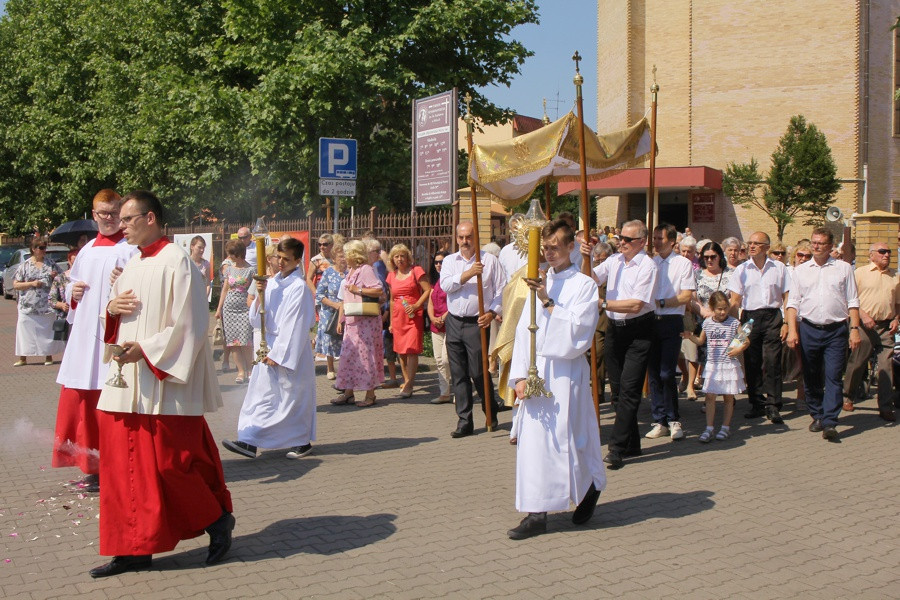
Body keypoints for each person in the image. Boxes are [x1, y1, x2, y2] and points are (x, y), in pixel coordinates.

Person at [91, 190, 233, 577]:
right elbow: (117, 314)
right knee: (123, 470)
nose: (121, 227)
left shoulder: (178, 261)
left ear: (150, 218)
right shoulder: (132, 264)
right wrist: (110, 310)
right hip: (127, 385)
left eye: (128, 219)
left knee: (173, 465)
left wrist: (148, 350)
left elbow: (191, 323)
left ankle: (217, 520)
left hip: (164, 381)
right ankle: (132, 549)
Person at [505, 219, 606, 540]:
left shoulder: (584, 285)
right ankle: (537, 513)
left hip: (565, 375)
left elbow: (579, 332)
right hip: (537, 376)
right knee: (535, 444)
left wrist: (549, 300)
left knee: (571, 440)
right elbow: (524, 332)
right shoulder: (537, 282)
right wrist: (519, 375)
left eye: (555, 248)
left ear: (570, 248)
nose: (548, 253)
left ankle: (590, 487)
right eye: (544, 248)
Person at [52, 190, 135, 491]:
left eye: (114, 212)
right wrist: (71, 297)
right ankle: (93, 466)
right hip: (85, 338)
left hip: (113, 336)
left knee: (112, 402)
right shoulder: (86, 251)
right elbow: (72, 290)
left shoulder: (130, 249)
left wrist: (123, 280)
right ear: (94, 213)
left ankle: (118, 466)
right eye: (103, 213)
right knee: (82, 402)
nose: (109, 218)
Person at [222, 237, 318, 460]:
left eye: (287, 259)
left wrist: (279, 354)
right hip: (268, 348)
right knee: (261, 396)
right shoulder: (272, 282)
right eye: (279, 257)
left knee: (290, 398)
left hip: (287, 352)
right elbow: (257, 319)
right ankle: (249, 440)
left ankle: (301, 441)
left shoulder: (299, 288)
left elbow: (296, 324)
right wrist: (259, 296)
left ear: (297, 261)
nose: (281, 262)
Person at [593, 219, 658, 469]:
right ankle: (632, 443)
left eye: (628, 240)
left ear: (641, 242)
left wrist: (603, 304)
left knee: (630, 390)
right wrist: (588, 257)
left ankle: (617, 447)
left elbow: (635, 304)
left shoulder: (647, 266)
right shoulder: (614, 261)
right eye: (621, 238)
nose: (622, 243)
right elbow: (591, 279)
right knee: (619, 390)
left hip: (639, 330)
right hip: (615, 330)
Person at [786, 227, 861, 441]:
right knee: (811, 375)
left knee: (834, 376)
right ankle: (817, 414)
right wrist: (792, 329)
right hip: (809, 328)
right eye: (813, 242)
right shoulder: (801, 271)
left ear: (830, 246)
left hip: (836, 330)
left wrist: (854, 330)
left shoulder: (844, 269)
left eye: (820, 243)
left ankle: (830, 421)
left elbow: (853, 301)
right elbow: (793, 303)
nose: (816, 246)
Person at [440, 220, 505, 438]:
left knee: (478, 371)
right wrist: (468, 274)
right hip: (455, 321)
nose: (465, 241)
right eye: (461, 237)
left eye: (469, 237)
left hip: (477, 322)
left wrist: (492, 313)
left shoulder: (490, 261)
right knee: (458, 374)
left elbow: (501, 290)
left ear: (476, 238)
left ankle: (490, 409)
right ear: (456, 238)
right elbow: (446, 286)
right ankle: (464, 420)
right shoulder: (450, 261)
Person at [728, 231, 791, 424]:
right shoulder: (742, 270)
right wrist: (735, 327)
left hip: (773, 316)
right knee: (752, 360)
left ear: (766, 247)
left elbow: (787, 296)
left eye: (756, 243)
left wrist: (787, 322)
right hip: (750, 319)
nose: (751, 246)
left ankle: (773, 405)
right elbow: (735, 300)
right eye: (750, 243)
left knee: (772, 360)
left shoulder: (779, 268)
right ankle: (756, 402)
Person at [646, 224, 696, 442]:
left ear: (672, 241)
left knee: (667, 372)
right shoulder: (650, 263)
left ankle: (674, 418)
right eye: (654, 238)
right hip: (650, 321)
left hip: (671, 320)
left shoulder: (683, 264)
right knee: (654, 373)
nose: (656, 242)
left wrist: (663, 302)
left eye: (660, 238)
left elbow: (686, 296)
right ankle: (660, 420)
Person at [842, 242, 898, 422]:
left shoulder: (894, 276)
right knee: (857, 362)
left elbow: (897, 303)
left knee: (886, 366)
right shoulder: (860, 273)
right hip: (864, 325)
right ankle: (847, 396)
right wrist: (863, 317)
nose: (886, 255)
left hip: (885, 325)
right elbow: (851, 299)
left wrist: (897, 318)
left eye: (889, 251)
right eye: (882, 251)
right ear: (871, 254)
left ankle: (885, 406)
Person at [683, 292, 749, 442]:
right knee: (710, 396)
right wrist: (690, 337)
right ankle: (709, 428)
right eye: (719, 309)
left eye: (725, 308)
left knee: (728, 397)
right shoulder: (707, 323)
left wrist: (738, 349)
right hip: (713, 365)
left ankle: (725, 427)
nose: (722, 312)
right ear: (712, 308)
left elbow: (745, 341)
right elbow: (701, 341)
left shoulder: (733, 323)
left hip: (728, 365)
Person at [331, 240, 384, 407]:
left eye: (347, 254)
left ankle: (370, 394)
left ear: (354, 254)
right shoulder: (351, 271)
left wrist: (358, 290)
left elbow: (378, 290)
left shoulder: (366, 269)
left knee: (365, 356)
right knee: (349, 356)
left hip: (365, 322)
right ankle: (348, 392)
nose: (345, 257)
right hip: (352, 320)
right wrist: (342, 318)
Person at [688, 242, 733, 400]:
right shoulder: (697, 274)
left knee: (726, 361)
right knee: (707, 361)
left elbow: (735, 299)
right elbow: (692, 299)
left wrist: (722, 314)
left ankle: (728, 394)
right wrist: (705, 312)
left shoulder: (730, 273)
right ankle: (709, 398)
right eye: (705, 257)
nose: (709, 260)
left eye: (713, 256)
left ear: (720, 256)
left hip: (726, 324)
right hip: (705, 323)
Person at [386, 244, 432, 397]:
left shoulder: (416, 271)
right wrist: (392, 321)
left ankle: (409, 385)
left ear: (408, 257)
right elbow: (392, 300)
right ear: (393, 259)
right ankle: (406, 380)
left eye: (402, 256)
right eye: (396, 256)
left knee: (412, 350)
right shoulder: (392, 275)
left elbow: (427, 290)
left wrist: (417, 305)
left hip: (413, 316)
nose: (400, 259)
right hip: (399, 317)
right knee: (401, 351)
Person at [13, 237, 66, 366]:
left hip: (45, 306)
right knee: (24, 330)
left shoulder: (50, 263)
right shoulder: (25, 265)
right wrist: (32, 283)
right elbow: (16, 284)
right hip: (27, 305)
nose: (44, 251)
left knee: (47, 331)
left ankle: (48, 356)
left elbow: (63, 278)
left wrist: (55, 277)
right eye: (41, 248)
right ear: (34, 249)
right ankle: (23, 358)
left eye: (45, 247)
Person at [215, 240, 254, 384]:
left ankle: (250, 369)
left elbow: (254, 291)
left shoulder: (251, 270)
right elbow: (225, 289)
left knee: (246, 341)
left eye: (232, 254)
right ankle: (240, 371)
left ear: (239, 254)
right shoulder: (229, 269)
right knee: (233, 342)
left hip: (245, 308)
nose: (229, 257)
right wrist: (219, 309)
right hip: (229, 308)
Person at [366, 237, 400, 388]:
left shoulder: (380, 265)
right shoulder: (366, 268)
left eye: (379, 251)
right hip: (370, 312)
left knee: (387, 343)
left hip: (384, 310)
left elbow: (391, 284)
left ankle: (392, 377)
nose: (379, 254)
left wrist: (386, 309)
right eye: (376, 251)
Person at [315, 238, 347, 380]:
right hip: (330, 311)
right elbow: (320, 294)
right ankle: (330, 367)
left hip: (347, 311)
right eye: (341, 256)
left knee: (345, 340)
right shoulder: (328, 272)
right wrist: (335, 305)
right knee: (329, 338)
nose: (344, 258)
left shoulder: (350, 273)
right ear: (334, 257)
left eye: (345, 255)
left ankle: (344, 368)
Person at [427, 251, 453, 404]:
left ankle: (459, 390)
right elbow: (430, 302)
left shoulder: (451, 280)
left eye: (441, 262)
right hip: (435, 324)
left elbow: (457, 302)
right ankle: (444, 393)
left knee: (447, 359)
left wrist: (443, 318)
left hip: (449, 323)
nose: (438, 265)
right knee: (438, 360)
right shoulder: (435, 281)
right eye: (436, 262)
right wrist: (432, 318)